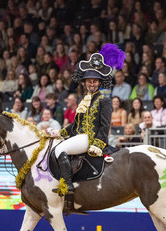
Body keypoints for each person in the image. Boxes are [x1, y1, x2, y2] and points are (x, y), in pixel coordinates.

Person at [49, 45, 125, 209]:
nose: (91, 83)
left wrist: (98, 144)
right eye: (89, 81)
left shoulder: (104, 100)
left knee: (59, 151)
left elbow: (105, 126)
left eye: (94, 81)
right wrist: (59, 132)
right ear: (84, 83)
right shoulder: (84, 100)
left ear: (99, 82)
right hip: (78, 137)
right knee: (56, 147)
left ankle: (67, 187)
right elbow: (75, 125)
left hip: (89, 139)